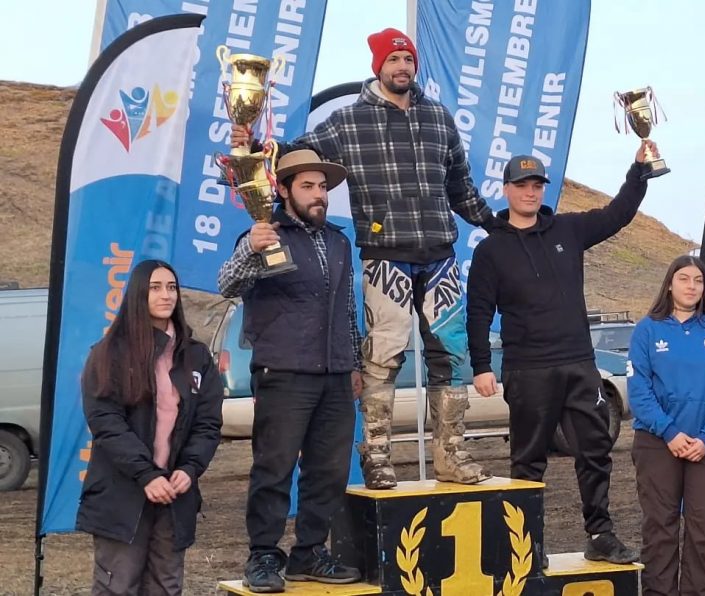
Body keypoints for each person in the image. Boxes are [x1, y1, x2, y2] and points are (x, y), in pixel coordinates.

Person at [232, 28, 492, 490]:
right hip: (384, 253)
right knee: (383, 356)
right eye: (393, 60)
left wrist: (497, 223)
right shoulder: (348, 122)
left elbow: (461, 186)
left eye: (408, 60)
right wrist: (251, 150)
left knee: (449, 357)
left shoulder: (439, 118)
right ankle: (376, 456)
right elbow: (294, 159)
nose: (402, 68)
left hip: (439, 253)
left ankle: (451, 455)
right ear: (378, 67)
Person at [465, 148, 656, 565]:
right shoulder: (491, 249)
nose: (530, 192)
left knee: (594, 452)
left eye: (536, 185)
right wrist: (481, 365)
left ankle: (600, 534)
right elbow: (478, 311)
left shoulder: (569, 230)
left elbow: (618, 213)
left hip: (578, 364)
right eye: (522, 185)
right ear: (507, 190)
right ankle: (527, 544)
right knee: (529, 462)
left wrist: (639, 171)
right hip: (526, 369)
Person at [218, 149, 363, 591]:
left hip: (336, 374)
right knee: (274, 468)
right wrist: (249, 250)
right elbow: (228, 284)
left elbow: (346, 310)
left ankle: (309, 553)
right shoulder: (263, 233)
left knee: (330, 470)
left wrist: (354, 363)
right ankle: (263, 556)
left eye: (322, 187)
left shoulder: (339, 241)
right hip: (283, 371)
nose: (318, 195)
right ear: (282, 190)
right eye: (308, 187)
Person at [77, 260, 223, 596]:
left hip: (175, 496)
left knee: (166, 586)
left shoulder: (196, 357)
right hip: (123, 495)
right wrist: (146, 475)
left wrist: (190, 468)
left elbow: (208, 423)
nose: (166, 295)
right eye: (155, 287)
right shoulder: (109, 354)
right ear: (138, 294)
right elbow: (106, 423)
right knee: (118, 586)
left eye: (171, 287)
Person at [627, 255, 705, 596]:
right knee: (660, 528)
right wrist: (670, 432)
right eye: (684, 279)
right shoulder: (649, 328)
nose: (692, 286)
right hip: (657, 443)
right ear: (670, 284)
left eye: (698, 281)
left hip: (704, 447)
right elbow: (639, 389)